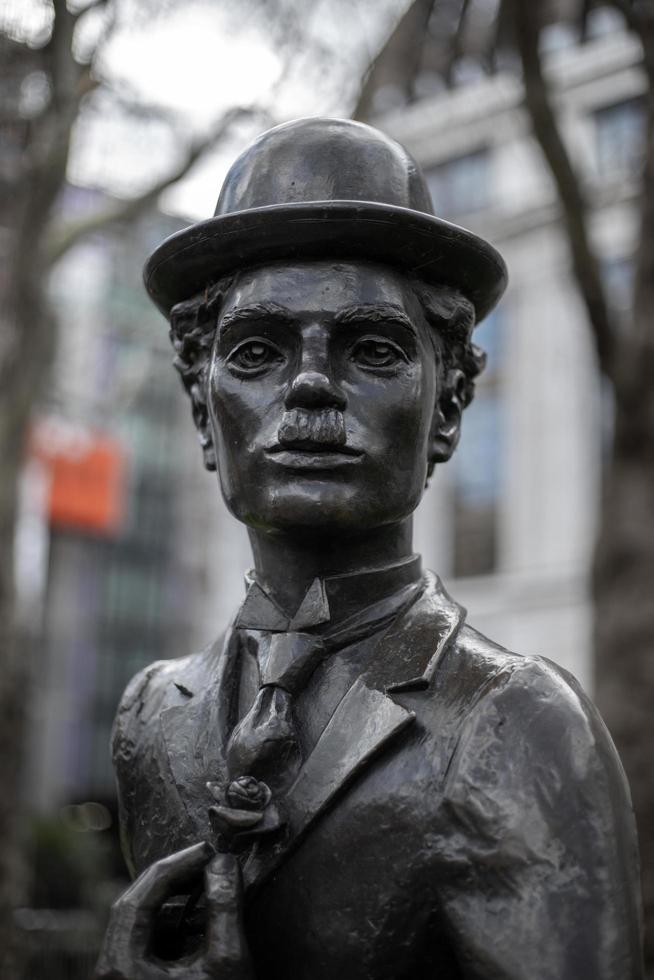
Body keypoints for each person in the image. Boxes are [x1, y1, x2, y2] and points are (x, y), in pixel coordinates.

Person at [95, 118, 643, 980]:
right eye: (257, 353)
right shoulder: (150, 716)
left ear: (448, 408)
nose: (311, 382)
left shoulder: (518, 723)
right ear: (204, 414)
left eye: (373, 350)